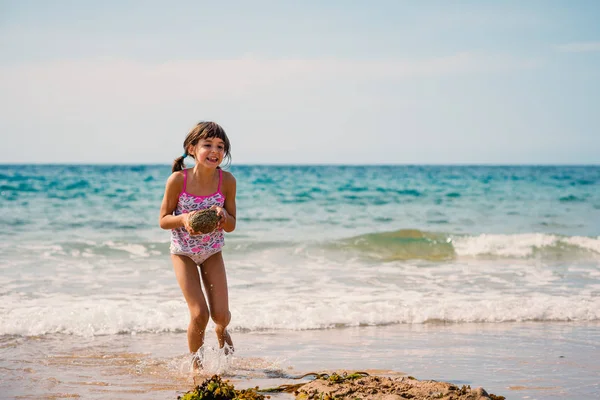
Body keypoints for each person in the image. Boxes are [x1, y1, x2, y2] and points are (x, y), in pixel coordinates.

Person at [159, 121, 236, 367]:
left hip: (212, 252)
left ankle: (221, 331)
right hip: (183, 253)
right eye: (208, 145)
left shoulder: (227, 181)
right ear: (192, 148)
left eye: (220, 146)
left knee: (221, 316)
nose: (215, 151)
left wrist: (223, 218)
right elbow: (163, 220)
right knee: (200, 314)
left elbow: (233, 224)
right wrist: (183, 218)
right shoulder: (177, 180)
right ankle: (197, 366)